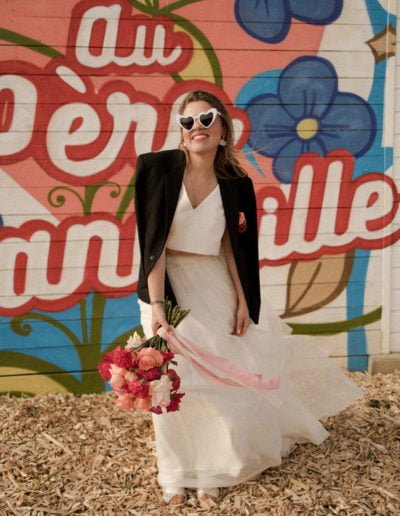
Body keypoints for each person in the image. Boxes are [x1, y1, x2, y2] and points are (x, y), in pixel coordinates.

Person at [134, 90, 362, 506]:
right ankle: (175, 472)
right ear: (180, 131)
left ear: (223, 128)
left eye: (207, 119)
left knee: (221, 382)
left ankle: (213, 469)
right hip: (164, 285)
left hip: (214, 281)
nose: (197, 127)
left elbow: (234, 248)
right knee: (171, 379)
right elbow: (153, 244)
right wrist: (158, 308)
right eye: (188, 121)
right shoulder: (156, 169)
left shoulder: (236, 184)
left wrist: (243, 301)